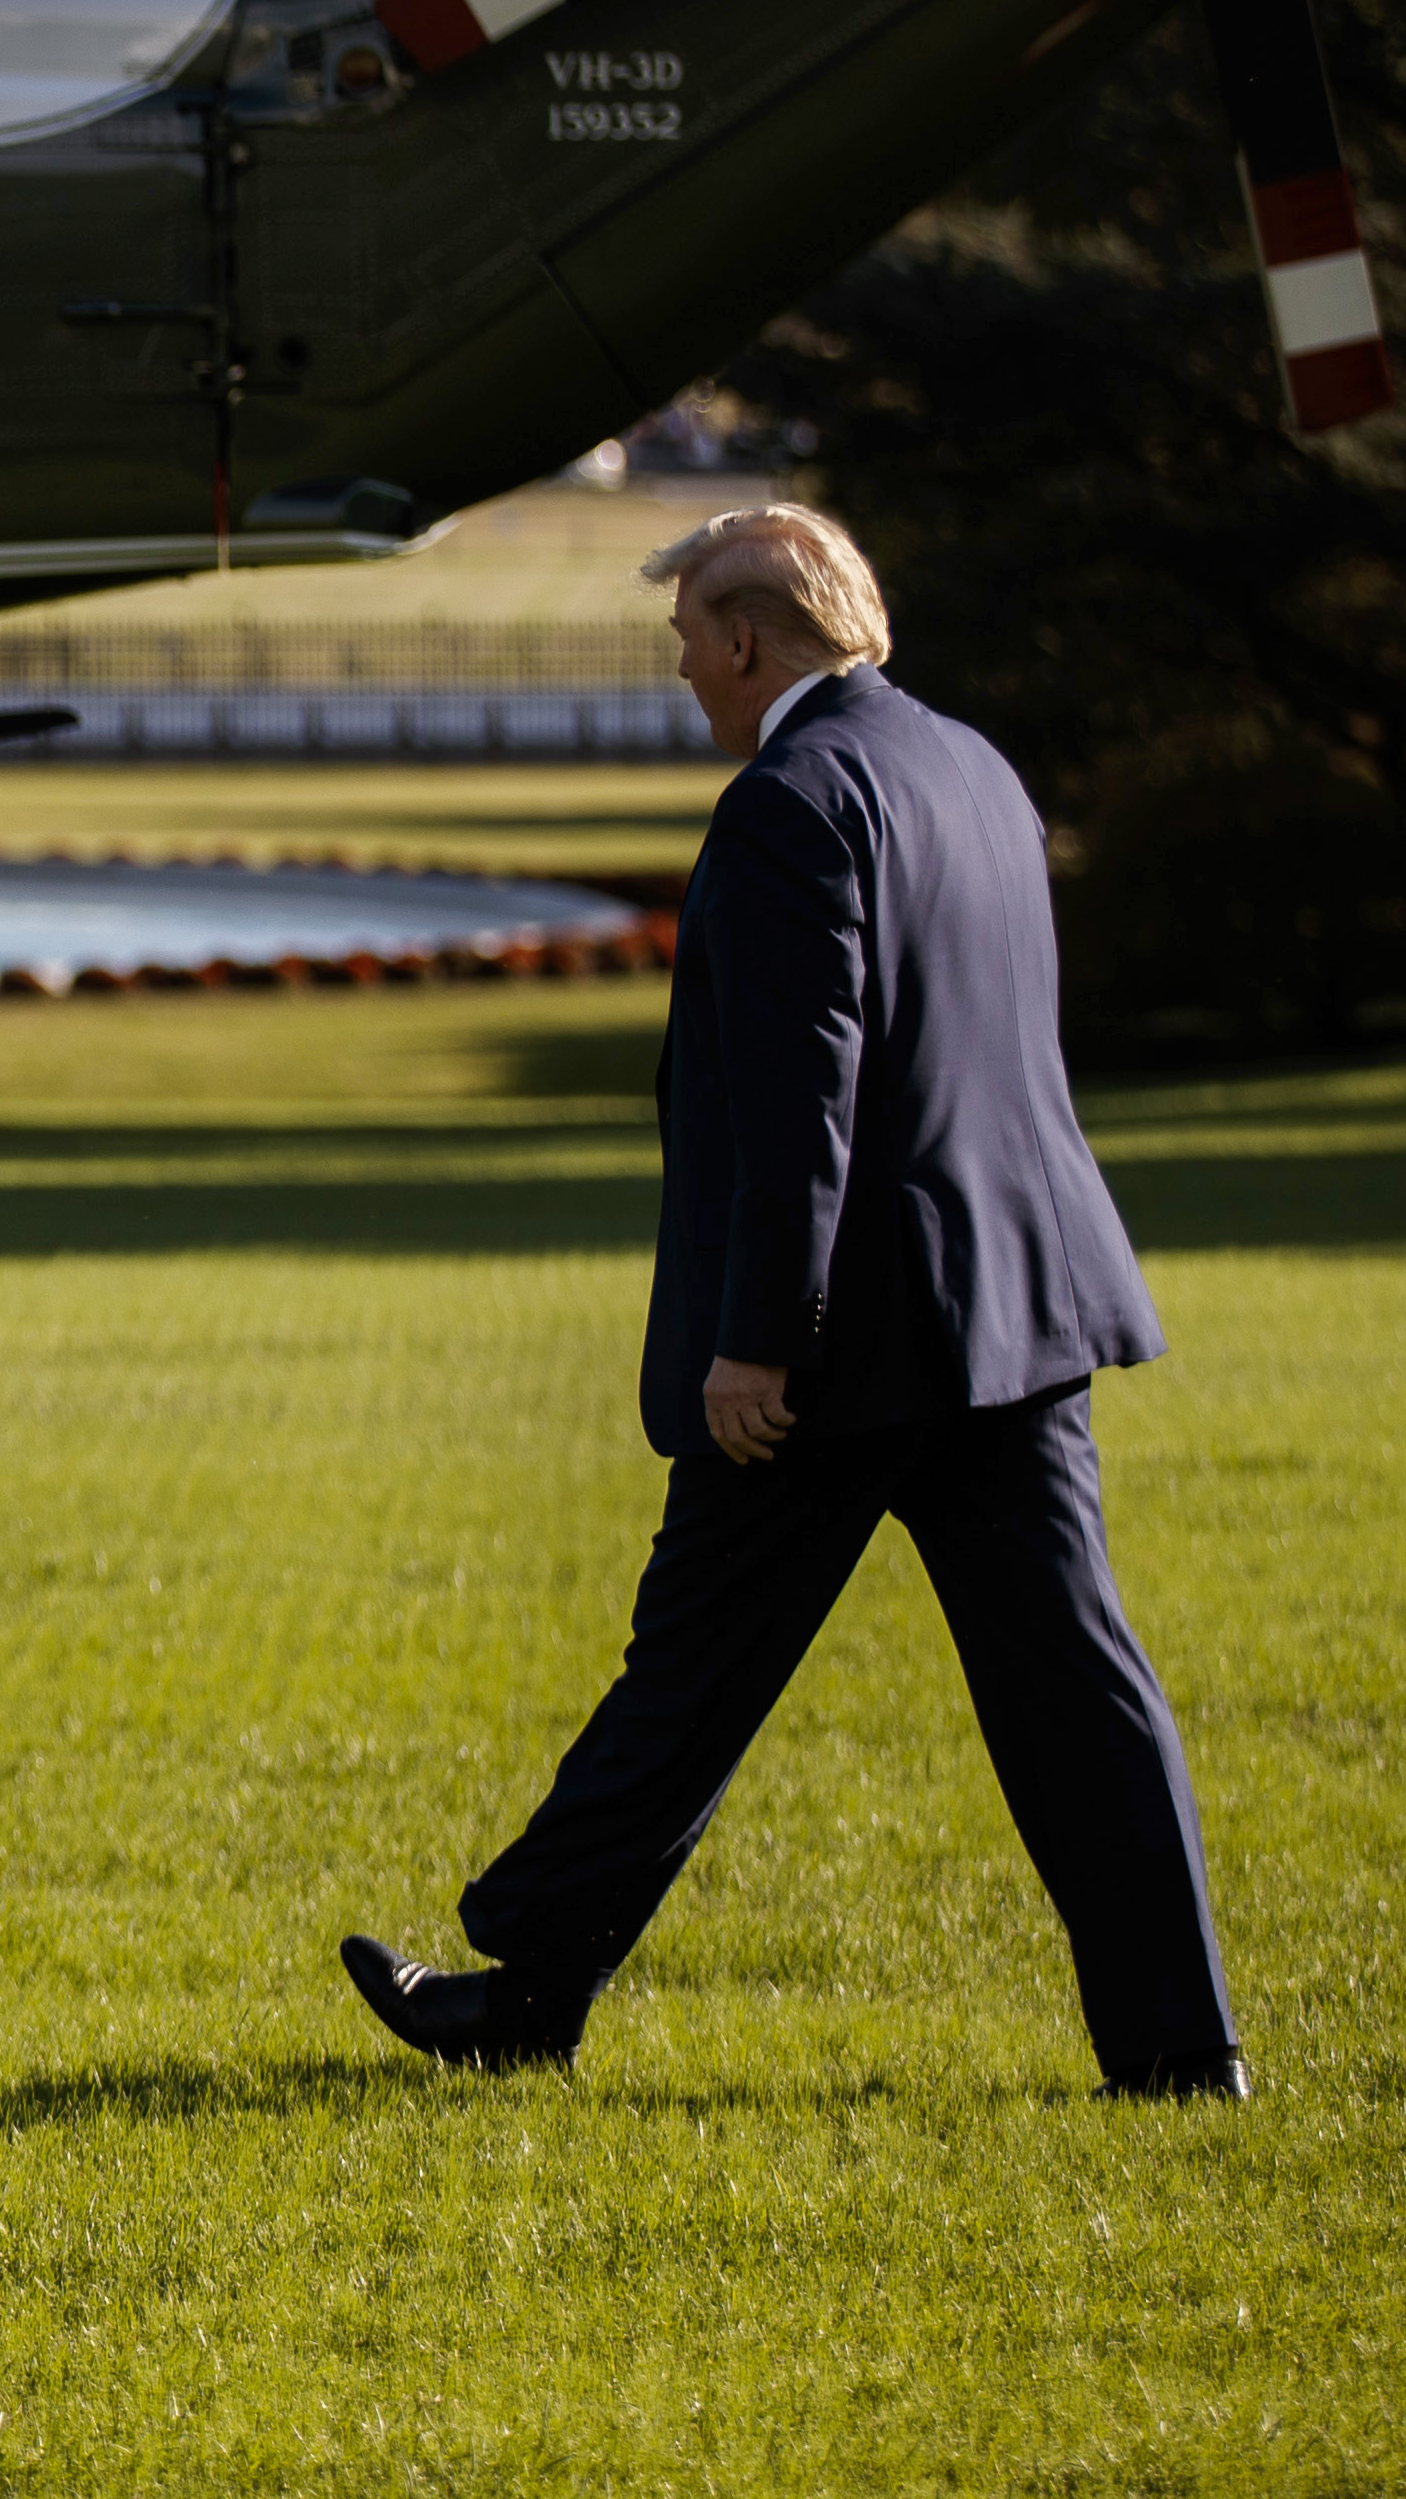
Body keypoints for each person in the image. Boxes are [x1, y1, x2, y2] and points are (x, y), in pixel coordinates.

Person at [336, 505, 1246, 2096]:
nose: (683, 667)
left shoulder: (786, 803)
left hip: (845, 1345)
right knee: (1079, 1691)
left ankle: (524, 1992)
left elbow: (797, 1106)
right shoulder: (972, 767)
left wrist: (757, 1341)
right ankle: (1184, 2051)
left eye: (687, 636)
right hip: (1013, 1318)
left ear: (748, 638)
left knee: (690, 1668)